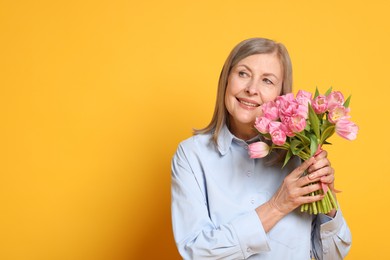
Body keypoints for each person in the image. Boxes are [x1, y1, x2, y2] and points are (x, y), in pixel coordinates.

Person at [171, 37, 351, 259]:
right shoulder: (191, 155)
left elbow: (332, 255)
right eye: (243, 74)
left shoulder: (301, 154)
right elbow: (196, 252)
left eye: (267, 81)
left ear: (281, 95)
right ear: (226, 80)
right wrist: (278, 205)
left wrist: (327, 198)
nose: (251, 89)